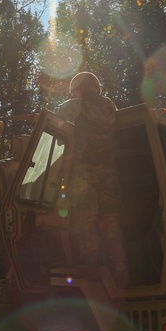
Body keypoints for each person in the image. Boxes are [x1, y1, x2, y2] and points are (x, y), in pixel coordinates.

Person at [57, 73, 125, 277]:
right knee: (110, 219)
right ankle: (119, 263)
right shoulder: (109, 106)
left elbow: (57, 128)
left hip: (84, 174)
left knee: (85, 219)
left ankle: (91, 266)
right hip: (109, 173)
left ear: (79, 89)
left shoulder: (73, 106)